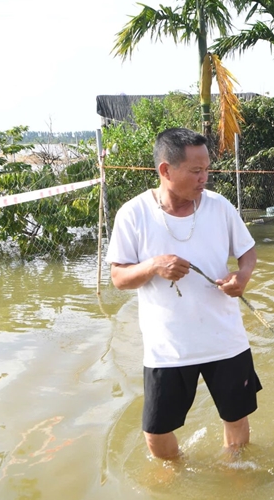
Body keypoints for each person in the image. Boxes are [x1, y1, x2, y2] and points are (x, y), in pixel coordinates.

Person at [106, 127, 260, 460]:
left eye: (207, 169)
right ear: (165, 170)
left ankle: (234, 473)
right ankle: (176, 480)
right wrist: (153, 267)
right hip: (169, 348)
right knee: (156, 432)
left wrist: (242, 276)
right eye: (196, 171)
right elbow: (118, 277)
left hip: (225, 339)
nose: (205, 177)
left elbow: (247, 252)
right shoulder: (133, 214)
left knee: (235, 418)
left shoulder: (219, 207)